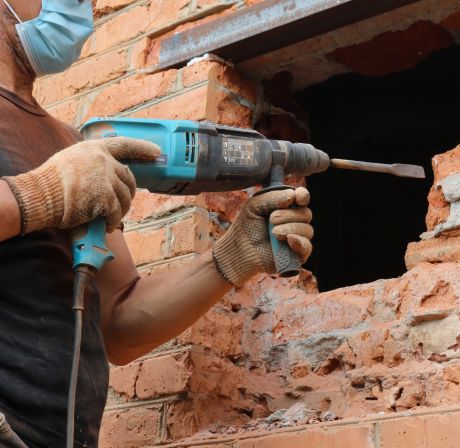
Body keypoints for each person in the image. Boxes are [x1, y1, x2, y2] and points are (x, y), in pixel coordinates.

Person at [0, 1, 315, 446]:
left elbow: (119, 324)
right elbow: (40, 194)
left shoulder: (68, 142)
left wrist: (230, 257)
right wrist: (39, 195)